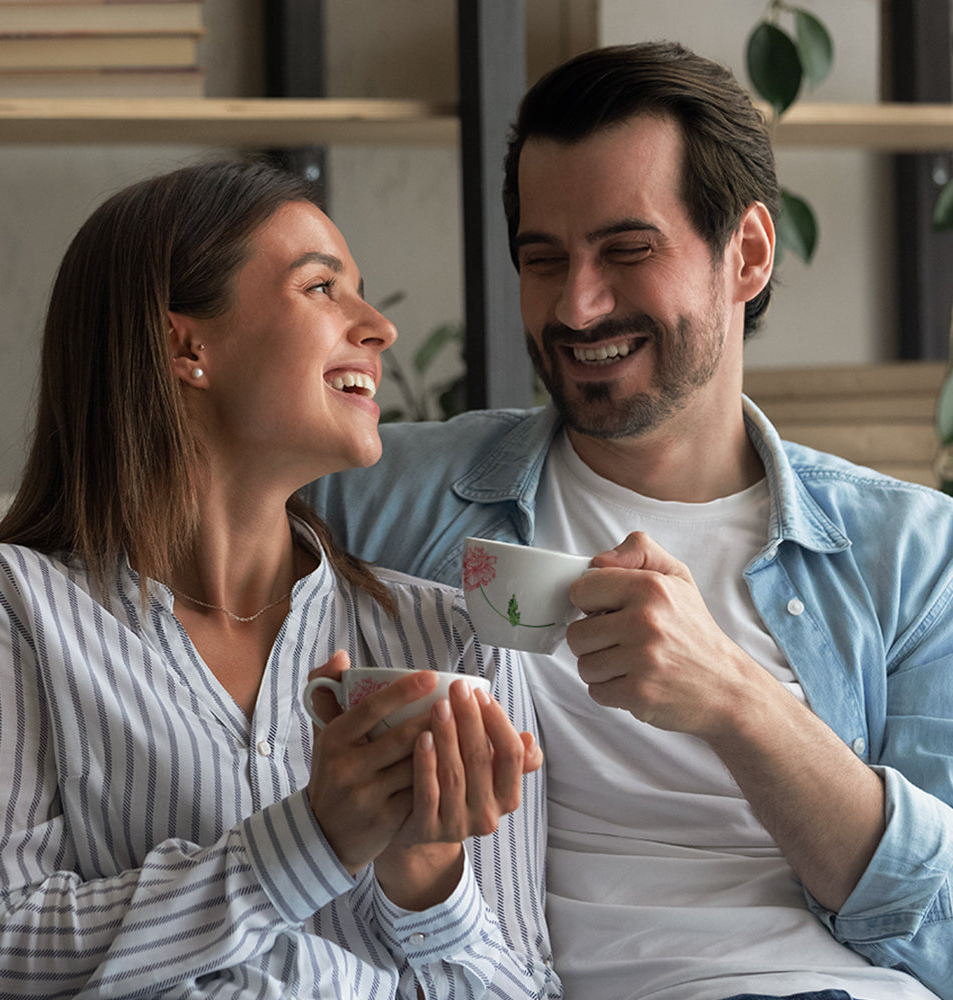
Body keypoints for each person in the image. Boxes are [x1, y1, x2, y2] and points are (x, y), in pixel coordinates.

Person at [305, 41, 953, 1000]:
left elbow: (942, 930)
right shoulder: (380, 491)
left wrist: (735, 698)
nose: (577, 304)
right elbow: (144, 509)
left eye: (627, 251)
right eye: (543, 259)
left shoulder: (909, 553)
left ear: (749, 254)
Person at [0, 159, 562, 998]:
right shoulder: (7, 607)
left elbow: (525, 989)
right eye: (322, 289)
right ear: (186, 346)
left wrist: (426, 875)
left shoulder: (455, 640)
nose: (378, 327)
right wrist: (312, 839)